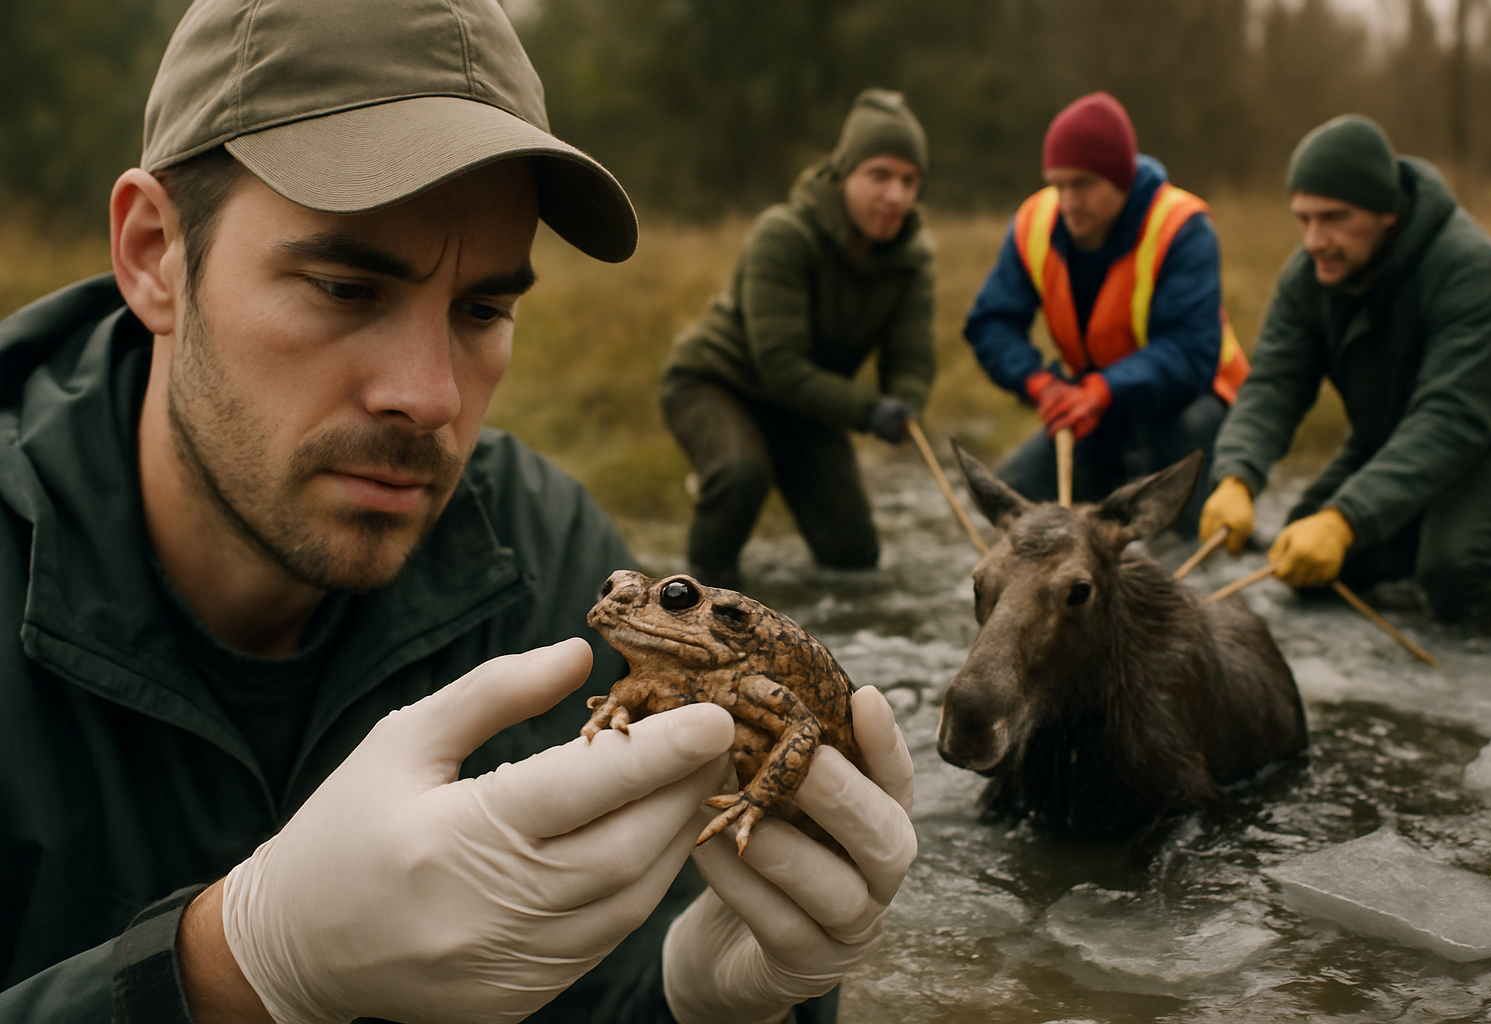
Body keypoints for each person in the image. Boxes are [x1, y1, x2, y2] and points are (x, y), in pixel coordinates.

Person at [0, 1, 917, 1022]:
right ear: (154, 253)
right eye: (348, 287)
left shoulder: (549, 555)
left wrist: (698, 1001)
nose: (432, 396)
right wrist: (224, 969)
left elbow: (600, 979)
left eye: (483, 309)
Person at [1200, 114, 1491, 635]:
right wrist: (1236, 476)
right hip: (1389, 435)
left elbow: (1452, 420)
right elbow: (1275, 384)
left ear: (1387, 213)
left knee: (1454, 567)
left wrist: (1347, 518)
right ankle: (1408, 543)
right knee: (1301, 563)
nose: (1314, 240)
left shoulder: (1471, 268)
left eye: (1333, 217)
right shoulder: (1310, 274)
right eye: (1304, 219)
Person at [659, 89, 936, 588]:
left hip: (807, 409)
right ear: (843, 173)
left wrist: (906, 403)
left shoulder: (912, 261)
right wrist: (868, 412)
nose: (896, 194)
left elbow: (911, 360)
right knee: (742, 474)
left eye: (909, 180)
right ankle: (691, 602)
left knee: (853, 557)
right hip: (715, 383)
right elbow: (781, 366)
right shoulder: (783, 234)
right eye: (880, 176)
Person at [963, 92, 1249, 533]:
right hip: (1095, 408)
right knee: (1016, 491)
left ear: (1121, 179)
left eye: (1084, 183)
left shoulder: (1181, 226)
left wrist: (1103, 390)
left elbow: (1192, 351)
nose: (1069, 200)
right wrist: (1038, 383)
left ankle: (1197, 544)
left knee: (1176, 534)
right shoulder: (1033, 222)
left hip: (1194, 407)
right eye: (1059, 184)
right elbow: (990, 322)